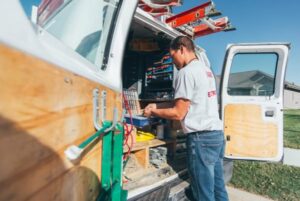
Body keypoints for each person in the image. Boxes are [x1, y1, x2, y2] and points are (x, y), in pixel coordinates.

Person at [143, 36, 229, 201]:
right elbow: (186, 101)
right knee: (218, 189)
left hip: (201, 139)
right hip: (216, 135)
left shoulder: (186, 72)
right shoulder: (206, 70)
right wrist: (156, 105)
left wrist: (153, 113)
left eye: (172, 55)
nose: (172, 60)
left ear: (181, 49)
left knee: (203, 194)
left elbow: (178, 113)